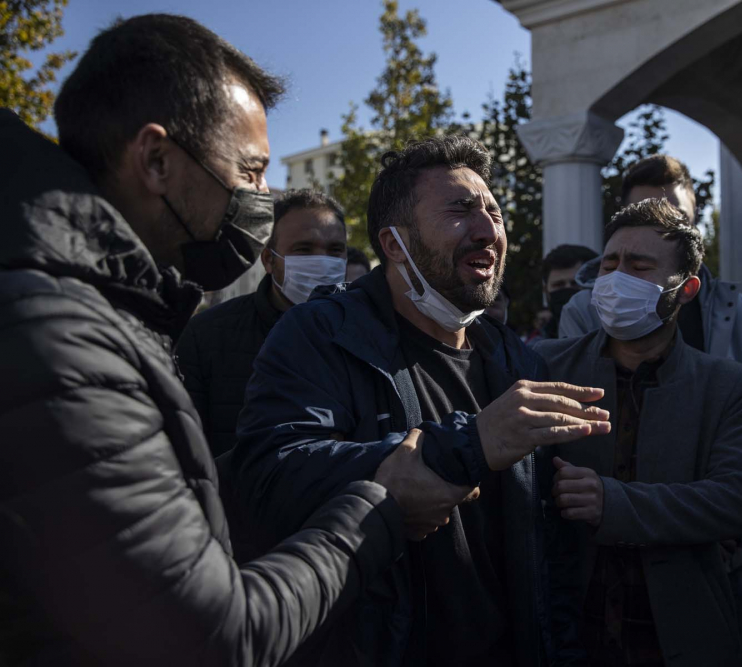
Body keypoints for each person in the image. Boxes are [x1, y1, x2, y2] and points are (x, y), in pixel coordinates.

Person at [0, 14, 463, 666]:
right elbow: (211, 637)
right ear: (157, 160)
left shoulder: (99, 312)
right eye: (250, 171)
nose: (263, 198)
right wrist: (379, 506)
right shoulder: (63, 339)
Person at [232, 136, 612, 666]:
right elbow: (270, 475)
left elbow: (549, 554)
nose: (487, 231)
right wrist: (464, 446)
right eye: (459, 211)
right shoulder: (320, 334)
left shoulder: (517, 362)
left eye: (494, 213)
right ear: (394, 244)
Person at [560, 153, 742, 653]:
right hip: (580, 613)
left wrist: (630, 504)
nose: (619, 280)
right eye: (611, 264)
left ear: (687, 286)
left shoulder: (727, 377)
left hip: (688, 596)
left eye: (640, 267)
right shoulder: (553, 363)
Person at [177, 188, 348, 456]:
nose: (322, 262)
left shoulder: (368, 334)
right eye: (304, 249)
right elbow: (187, 452)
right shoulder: (206, 336)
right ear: (269, 259)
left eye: (335, 250)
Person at [537, 244, 598, 339]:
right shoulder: (534, 350)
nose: (567, 289)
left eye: (575, 283)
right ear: (545, 291)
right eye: (558, 284)